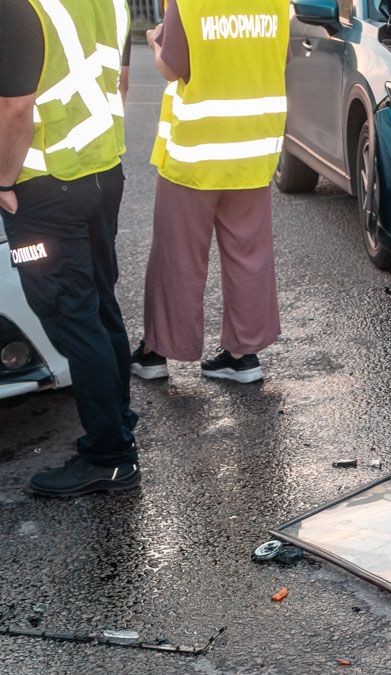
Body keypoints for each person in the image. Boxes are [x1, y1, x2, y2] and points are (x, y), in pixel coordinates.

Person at [0, 0, 139, 496]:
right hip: (102, 172)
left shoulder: (20, 7)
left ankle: (111, 456)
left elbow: (15, 106)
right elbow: (121, 81)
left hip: (43, 189)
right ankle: (117, 420)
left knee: (70, 315)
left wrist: (2, 181)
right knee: (99, 303)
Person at [131, 0, 289, 384]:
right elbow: (278, 61)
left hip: (195, 154)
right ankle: (243, 356)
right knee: (249, 254)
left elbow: (172, 69)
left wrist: (154, 41)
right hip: (253, 147)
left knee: (178, 256)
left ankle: (157, 353)